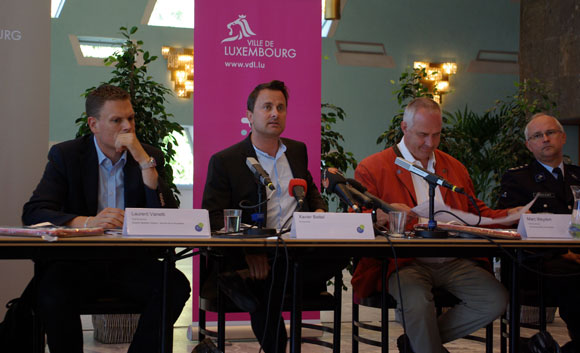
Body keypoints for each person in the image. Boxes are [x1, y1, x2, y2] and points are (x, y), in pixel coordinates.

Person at [21, 84, 191, 353]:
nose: (127, 127)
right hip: (78, 263)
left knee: (175, 286)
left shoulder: (148, 157)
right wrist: (87, 221)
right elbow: (34, 212)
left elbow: (167, 217)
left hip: (131, 262)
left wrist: (145, 164)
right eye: (117, 120)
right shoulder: (67, 156)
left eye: (131, 118)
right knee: (51, 291)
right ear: (93, 124)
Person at [351, 97, 518, 353]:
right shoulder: (373, 167)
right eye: (423, 135)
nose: (430, 143)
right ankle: (423, 345)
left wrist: (510, 215)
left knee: (495, 300)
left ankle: (417, 344)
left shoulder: (454, 167)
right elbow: (359, 219)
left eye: (436, 135)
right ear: (404, 128)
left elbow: (476, 211)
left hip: (452, 259)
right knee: (417, 302)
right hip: (403, 262)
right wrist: (384, 215)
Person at [202, 80, 345, 353]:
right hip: (257, 251)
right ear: (249, 115)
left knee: (340, 253)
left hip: (297, 250)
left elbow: (311, 191)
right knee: (269, 284)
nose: (275, 113)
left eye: (281, 107)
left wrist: (319, 213)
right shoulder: (226, 160)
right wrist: (249, 251)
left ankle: (247, 279)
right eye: (267, 107)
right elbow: (213, 216)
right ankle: (251, 280)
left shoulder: (297, 151)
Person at [498, 113, 580, 353]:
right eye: (537, 136)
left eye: (550, 133)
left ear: (563, 137)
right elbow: (508, 222)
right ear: (529, 145)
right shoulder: (517, 179)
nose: (545, 139)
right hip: (536, 265)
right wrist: (564, 253)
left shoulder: (578, 175)